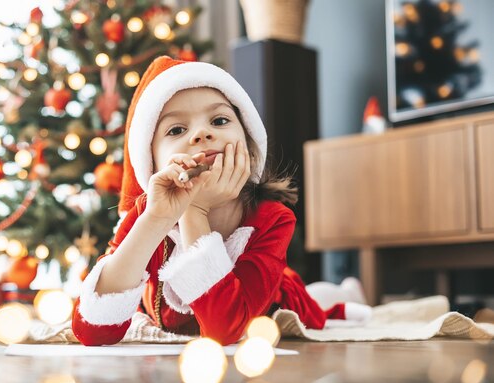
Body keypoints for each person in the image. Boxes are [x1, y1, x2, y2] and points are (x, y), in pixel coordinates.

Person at [72, 56, 371, 346]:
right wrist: (155, 221)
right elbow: (91, 330)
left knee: (317, 303)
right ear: (151, 163)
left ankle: (346, 294)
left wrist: (195, 211)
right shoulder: (146, 215)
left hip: (281, 295)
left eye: (219, 120)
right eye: (176, 130)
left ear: (250, 146)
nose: (202, 133)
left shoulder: (273, 218)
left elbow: (225, 331)